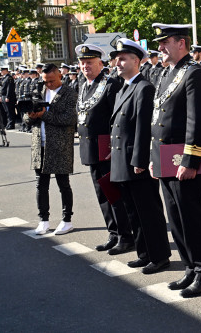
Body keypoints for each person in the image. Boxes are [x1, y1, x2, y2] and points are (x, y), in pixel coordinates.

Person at [150, 23, 201, 297]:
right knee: (176, 219)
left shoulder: (194, 74)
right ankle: (190, 267)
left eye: (165, 42)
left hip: (185, 162)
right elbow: (158, 120)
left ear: (182, 43)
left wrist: (190, 161)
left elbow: (197, 120)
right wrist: (154, 157)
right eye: (160, 43)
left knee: (191, 217)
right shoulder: (168, 73)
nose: (160, 48)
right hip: (166, 159)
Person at [109, 38, 172, 274]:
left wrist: (140, 161)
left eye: (123, 58)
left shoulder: (143, 88)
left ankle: (159, 256)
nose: (118, 62)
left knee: (148, 212)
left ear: (136, 61)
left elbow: (144, 128)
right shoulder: (124, 87)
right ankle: (144, 253)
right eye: (117, 58)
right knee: (133, 211)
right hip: (121, 160)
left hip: (136, 162)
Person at [76, 43, 134, 253]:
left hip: (106, 148)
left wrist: (115, 146)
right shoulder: (84, 85)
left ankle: (126, 236)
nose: (85, 67)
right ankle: (114, 233)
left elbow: (118, 119)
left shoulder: (110, 85)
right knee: (102, 195)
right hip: (90, 149)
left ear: (100, 63)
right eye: (82, 63)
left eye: (90, 62)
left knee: (114, 194)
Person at [24, 64, 78, 235]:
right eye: (45, 81)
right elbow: (26, 116)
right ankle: (43, 220)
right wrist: (30, 116)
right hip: (39, 142)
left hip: (60, 144)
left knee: (63, 184)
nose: (48, 84)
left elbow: (69, 119)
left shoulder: (69, 93)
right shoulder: (38, 90)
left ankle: (67, 219)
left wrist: (43, 115)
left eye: (52, 81)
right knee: (41, 185)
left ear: (59, 76)